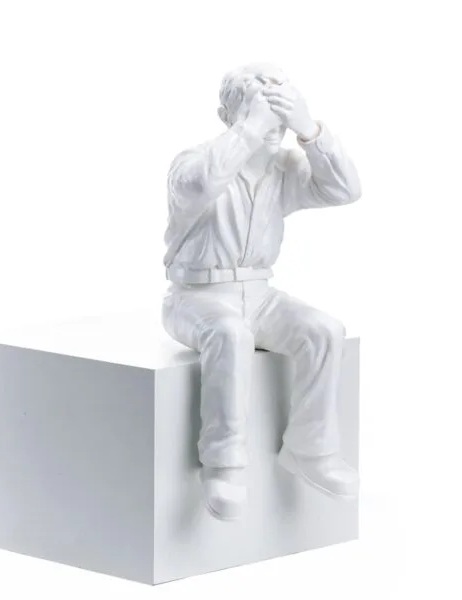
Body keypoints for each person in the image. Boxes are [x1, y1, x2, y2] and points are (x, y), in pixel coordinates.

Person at [161, 63, 362, 521]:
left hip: (260, 295)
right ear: (227, 116)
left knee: (324, 331)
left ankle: (312, 450)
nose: (271, 122)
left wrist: (309, 130)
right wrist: (250, 129)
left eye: (277, 109)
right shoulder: (192, 163)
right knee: (229, 334)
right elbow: (202, 183)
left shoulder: (284, 169)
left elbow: (346, 190)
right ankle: (224, 464)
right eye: (257, 108)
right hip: (194, 297)